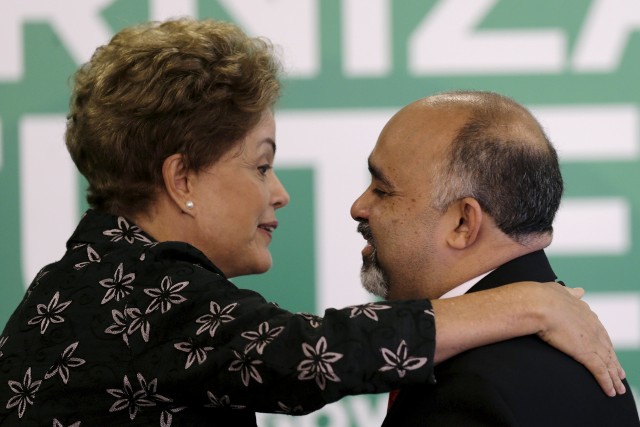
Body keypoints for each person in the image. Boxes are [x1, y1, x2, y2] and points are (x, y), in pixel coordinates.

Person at [0, 19, 625, 427]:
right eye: (262, 165)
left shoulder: (89, 279)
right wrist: (529, 305)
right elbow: (309, 356)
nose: (280, 193)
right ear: (182, 179)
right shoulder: (132, 288)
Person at [349, 90, 640, 426]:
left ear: (462, 223)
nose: (358, 208)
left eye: (382, 190)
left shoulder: (467, 391)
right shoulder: (581, 354)